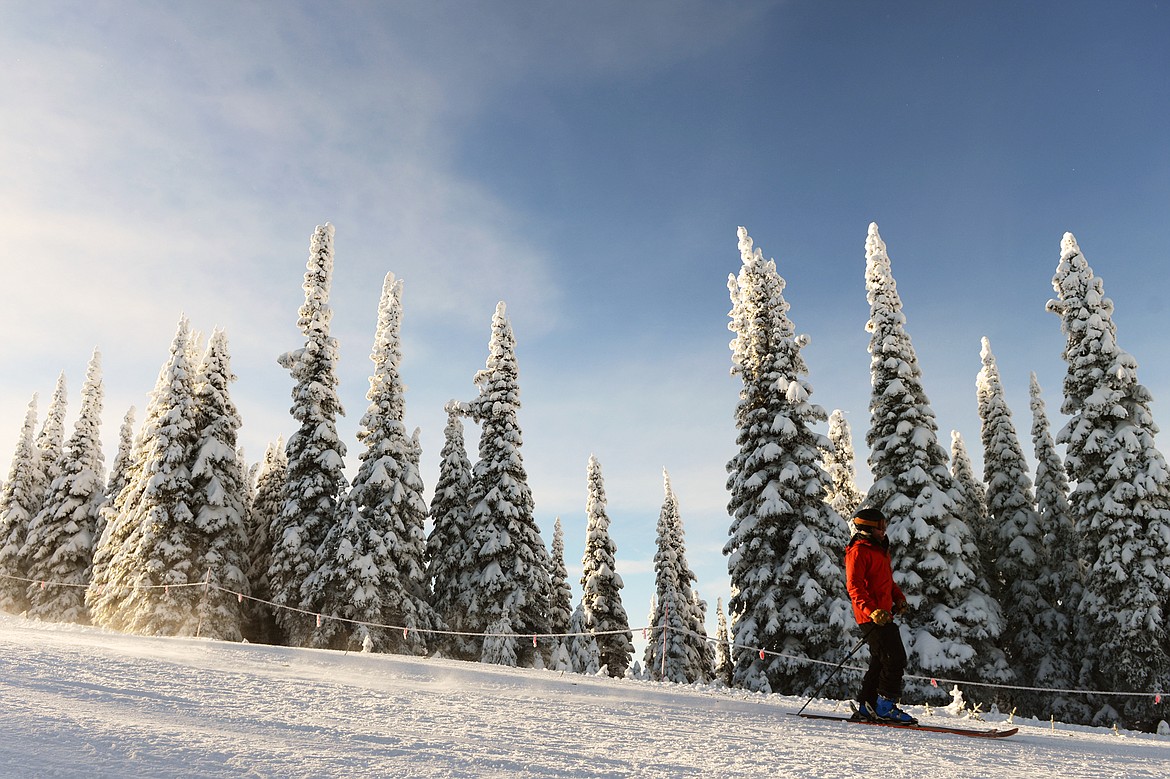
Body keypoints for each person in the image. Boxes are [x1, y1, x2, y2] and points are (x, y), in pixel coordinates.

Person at [845, 507, 916, 724]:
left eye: (884, 526)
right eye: (880, 527)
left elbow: (887, 582)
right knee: (895, 658)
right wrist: (872, 611)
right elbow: (854, 587)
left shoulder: (879, 550)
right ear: (867, 528)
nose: (884, 531)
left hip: (883, 614)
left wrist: (899, 599)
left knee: (880, 659)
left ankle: (867, 706)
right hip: (871, 616)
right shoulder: (859, 551)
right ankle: (885, 706)